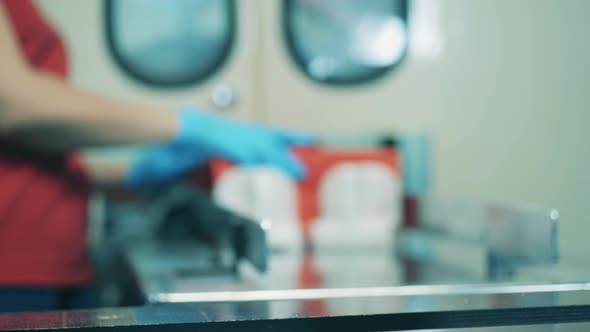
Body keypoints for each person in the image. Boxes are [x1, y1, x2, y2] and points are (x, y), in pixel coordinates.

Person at [0, 0, 310, 312]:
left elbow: (26, 154)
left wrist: (133, 172)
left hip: (52, 262)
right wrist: (187, 125)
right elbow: (9, 100)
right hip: (13, 266)